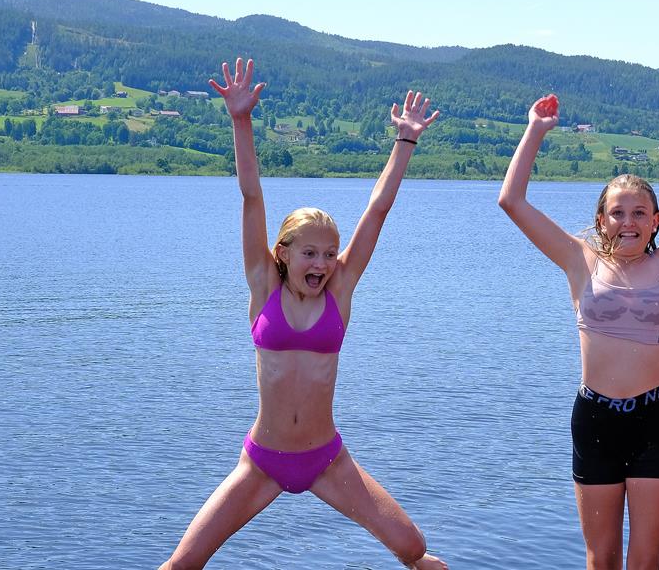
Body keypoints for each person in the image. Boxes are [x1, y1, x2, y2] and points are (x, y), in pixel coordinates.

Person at [162, 58, 448, 570]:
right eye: (310, 252)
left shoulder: (339, 291)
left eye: (329, 252)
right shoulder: (261, 285)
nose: (322, 262)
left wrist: (405, 141)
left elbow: (377, 209)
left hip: (326, 460)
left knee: (414, 549)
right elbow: (251, 195)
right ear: (285, 252)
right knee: (182, 565)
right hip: (263, 461)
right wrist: (240, 120)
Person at [497, 93, 659, 570]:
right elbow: (512, 201)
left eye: (639, 212)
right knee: (602, 560)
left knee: (646, 560)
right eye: (618, 212)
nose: (628, 222)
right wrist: (535, 131)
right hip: (595, 419)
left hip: (655, 420)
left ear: (656, 221)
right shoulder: (579, 260)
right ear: (602, 219)